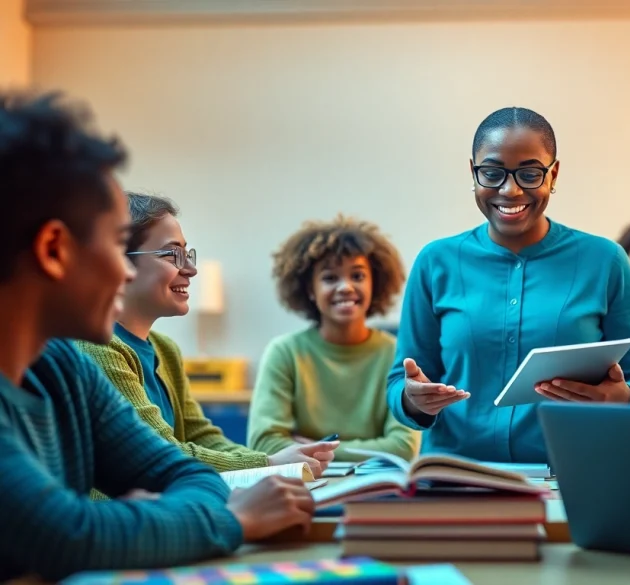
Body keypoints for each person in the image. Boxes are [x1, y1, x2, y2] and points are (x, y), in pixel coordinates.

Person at [0, 91, 312, 582]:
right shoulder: (82, 359)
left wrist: (144, 519)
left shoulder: (65, 369)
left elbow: (186, 475)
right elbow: (65, 535)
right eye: (111, 243)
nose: (124, 275)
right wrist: (233, 517)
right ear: (54, 249)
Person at [386, 106, 630, 463]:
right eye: (492, 173)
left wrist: (624, 397)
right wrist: (412, 399)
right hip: (456, 476)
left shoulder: (605, 260)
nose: (511, 190)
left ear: (554, 174)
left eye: (530, 174)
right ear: (473, 173)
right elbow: (400, 384)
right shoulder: (436, 261)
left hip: (570, 474)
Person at [76, 192, 338, 478]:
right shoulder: (95, 347)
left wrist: (273, 460)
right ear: (118, 263)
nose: (190, 269)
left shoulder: (165, 349)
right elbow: (161, 453)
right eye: (171, 254)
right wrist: (269, 465)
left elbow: (201, 437)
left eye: (187, 254)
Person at [249, 214, 420, 462]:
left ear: (375, 283)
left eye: (358, 276)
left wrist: (316, 449)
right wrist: (372, 449)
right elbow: (264, 443)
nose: (345, 287)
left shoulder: (398, 355)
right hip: (304, 488)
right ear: (310, 289)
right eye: (330, 278)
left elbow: (403, 446)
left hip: (374, 492)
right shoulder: (284, 353)